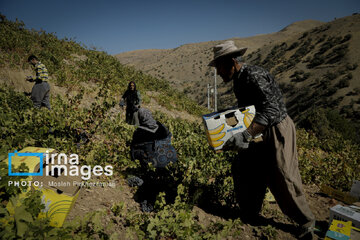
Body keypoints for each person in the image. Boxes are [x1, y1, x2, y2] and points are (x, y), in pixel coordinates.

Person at [208, 41, 315, 239]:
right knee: (245, 168)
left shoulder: (253, 75)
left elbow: (271, 110)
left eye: (220, 68)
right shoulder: (239, 79)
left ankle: (306, 222)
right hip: (257, 128)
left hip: (276, 128)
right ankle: (250, 213)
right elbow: (249, 110)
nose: (219, 73)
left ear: (232, 61)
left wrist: (246, 135)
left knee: (284, 175)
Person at [129, 108, 177, 211]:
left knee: (150, 181)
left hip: (154, 162)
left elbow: (134, 150)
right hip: (170, 159)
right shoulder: (161, 126)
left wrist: (136, 161)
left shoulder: (139, 132)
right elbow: (169, 137)